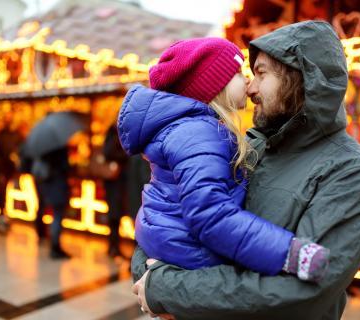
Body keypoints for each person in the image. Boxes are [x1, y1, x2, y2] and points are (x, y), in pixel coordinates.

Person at [131, 21, 360, 320]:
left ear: (301, 78)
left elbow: (300, 293)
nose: (250, 88)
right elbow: (163, 218)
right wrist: (148, 275)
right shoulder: (247, 145)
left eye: (261, 73)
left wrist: (166, 289)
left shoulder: (354, 173)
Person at [119, 36, 331, 286]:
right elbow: (211, 214)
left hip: (173, 244)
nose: (249, 85)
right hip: (192, 252)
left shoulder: (191, 130)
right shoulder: (199, 135)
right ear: (213, 85)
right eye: (240, 74)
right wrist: (290, 253)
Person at [31, 147, 71, 259]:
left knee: (42, 208)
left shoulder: (43, 148)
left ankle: (41, 234)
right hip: (57, 183)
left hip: (45, 183)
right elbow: (65, 167)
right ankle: (55, 246)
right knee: (57, 215)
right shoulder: (60, 149)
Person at [102, 124, 130, 258]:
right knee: (115, 214)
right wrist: (125, 155)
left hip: (113, 182)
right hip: (115, 182)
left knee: (114, 214)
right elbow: (109, 153)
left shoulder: (110, 135)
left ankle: (113, 246)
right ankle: (114, 247)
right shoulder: (114, 136)